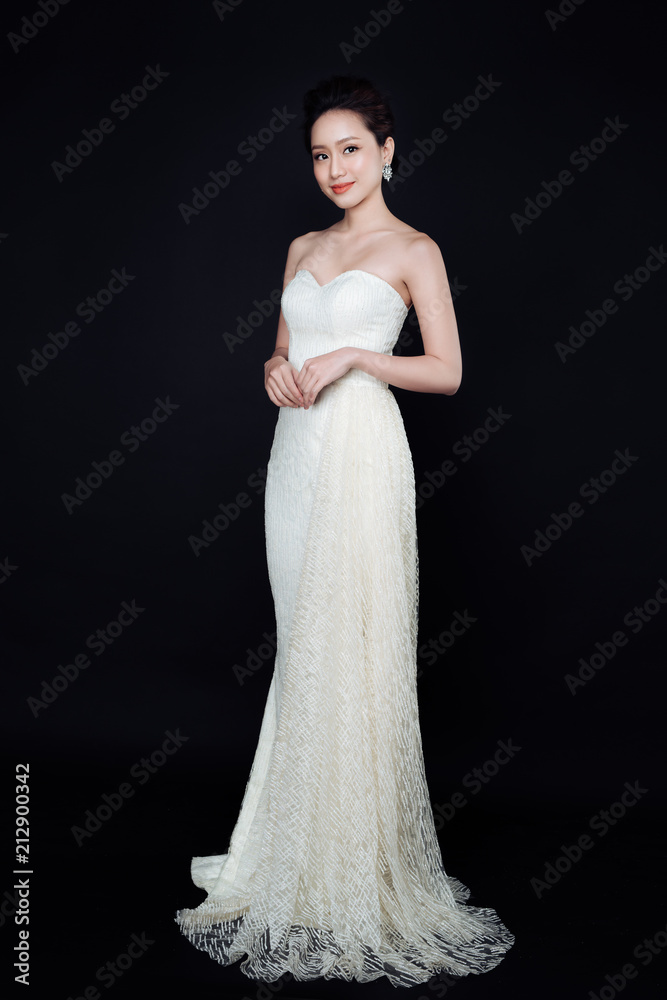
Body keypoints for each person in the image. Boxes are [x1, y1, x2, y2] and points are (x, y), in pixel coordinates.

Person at [175, 74, 515, 987]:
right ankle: (281, 852)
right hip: (296, 458)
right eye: (319, 154)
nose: (333, 168)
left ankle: (355, 869)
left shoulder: (414, 249)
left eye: (350, 149)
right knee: (303, 646)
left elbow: (444, 371)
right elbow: (284, 354)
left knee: (352, 647)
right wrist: (273, 370)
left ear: (387, 150)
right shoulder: (300, 246)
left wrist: (363, 356)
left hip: (363, 454)